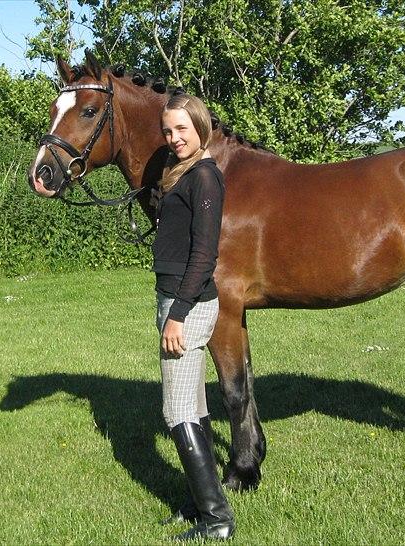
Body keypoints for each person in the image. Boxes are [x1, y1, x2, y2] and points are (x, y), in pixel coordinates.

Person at [152, 92, 234, 541]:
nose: (174, 137)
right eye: (168, 130)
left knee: (177, 411)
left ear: (200, 127)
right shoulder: (181, 173)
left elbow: (205, 254)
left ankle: (216, 519)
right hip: (176, 299)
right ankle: (197, 500)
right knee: (196, 407)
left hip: (188, 304)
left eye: (182, 128)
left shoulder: (205, 177)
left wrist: (178, 315)